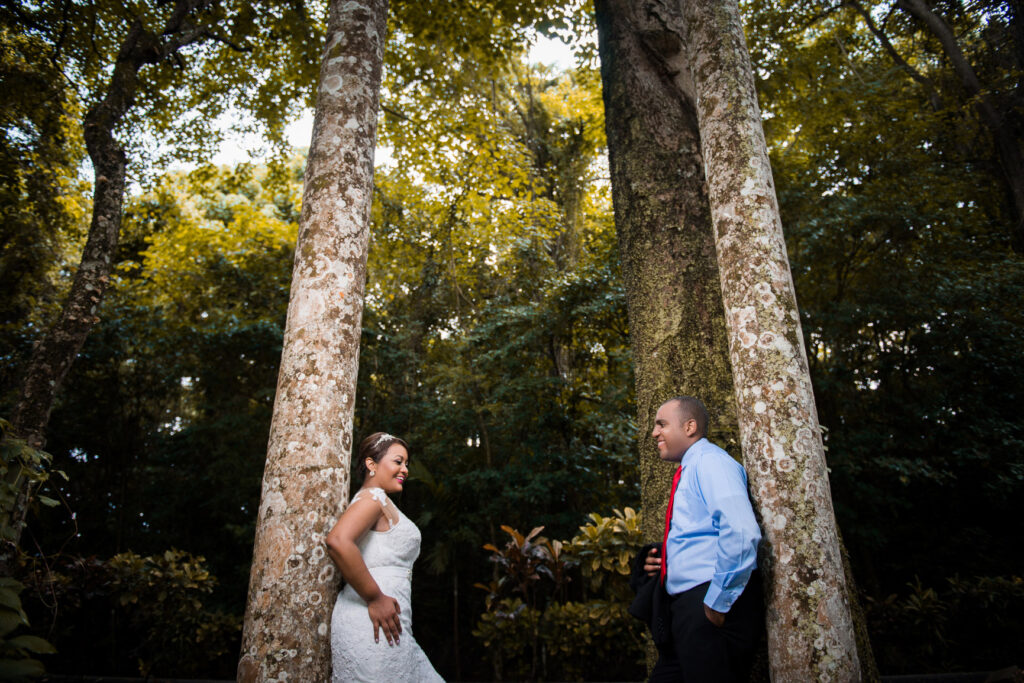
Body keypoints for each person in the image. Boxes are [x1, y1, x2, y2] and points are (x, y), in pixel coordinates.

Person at [643, 396, 764, 683]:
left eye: (662, 424)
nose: (654, 433)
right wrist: (663, 560)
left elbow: (741, 532)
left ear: (690, 426)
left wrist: (716, 603)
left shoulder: (711, 462)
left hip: (710, 607)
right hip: (686, 611)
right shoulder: (691, 468)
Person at [326, 432, 444, 682]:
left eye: (407, 464)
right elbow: (337, 541)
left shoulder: (379, 501)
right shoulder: (373, 498)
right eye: (398, 461)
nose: (405, 470)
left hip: (390, 623)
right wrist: (375, 597)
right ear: (371, 464)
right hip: (372, 620)